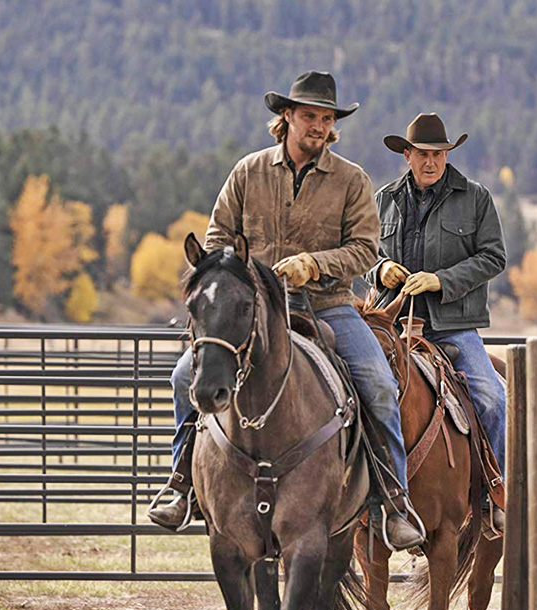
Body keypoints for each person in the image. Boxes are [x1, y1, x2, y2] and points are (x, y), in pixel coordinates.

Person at [149, 71, 425, 550]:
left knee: (379, 385)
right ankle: (182, 483)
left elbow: (365, 249)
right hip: (254, 310)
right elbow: (216, 239)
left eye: (327, 118)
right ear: (287, 116)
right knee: (182, 377)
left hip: (328, 304)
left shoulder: (351, 180)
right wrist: (238, 276)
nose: (319, 125)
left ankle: (393, 500)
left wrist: (314, 265)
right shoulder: (248, 172)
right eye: (309, 116)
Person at [368, 112, 507, 533]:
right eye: (423, 154)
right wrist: (380, 270)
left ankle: (494, 495)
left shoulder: (475, 197)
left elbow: (493, 257)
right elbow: (365, 252)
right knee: (345, 392)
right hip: (390, 323)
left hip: (452, 324)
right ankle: (352, 499)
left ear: (447, 155)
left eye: (439, 154)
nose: (431, 161)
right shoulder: (383, 199)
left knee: (491, 398)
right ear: (407, 155)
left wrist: (441, 280)